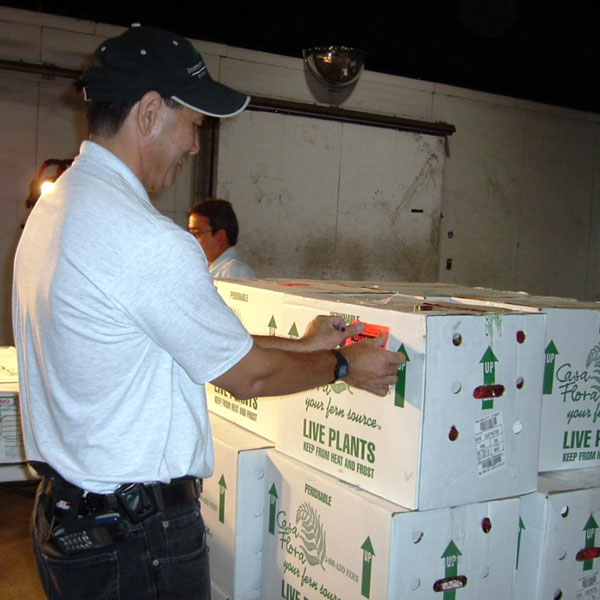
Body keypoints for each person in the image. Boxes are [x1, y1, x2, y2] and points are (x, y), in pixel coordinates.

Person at [12, 24, 405, 600]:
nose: (195, 145)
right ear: (150, 113)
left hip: (71, 519)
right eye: (193, 124)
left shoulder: (58, 210)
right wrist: (346, 366)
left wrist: (308, 344)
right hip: (135, 537)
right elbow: (248, 376)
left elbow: (194, 341)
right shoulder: (145, 239)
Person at [189, 199, 255, 278]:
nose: (191, 240)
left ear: (220, 236)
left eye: (197, 233)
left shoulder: (234, 271)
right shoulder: (206, 267)